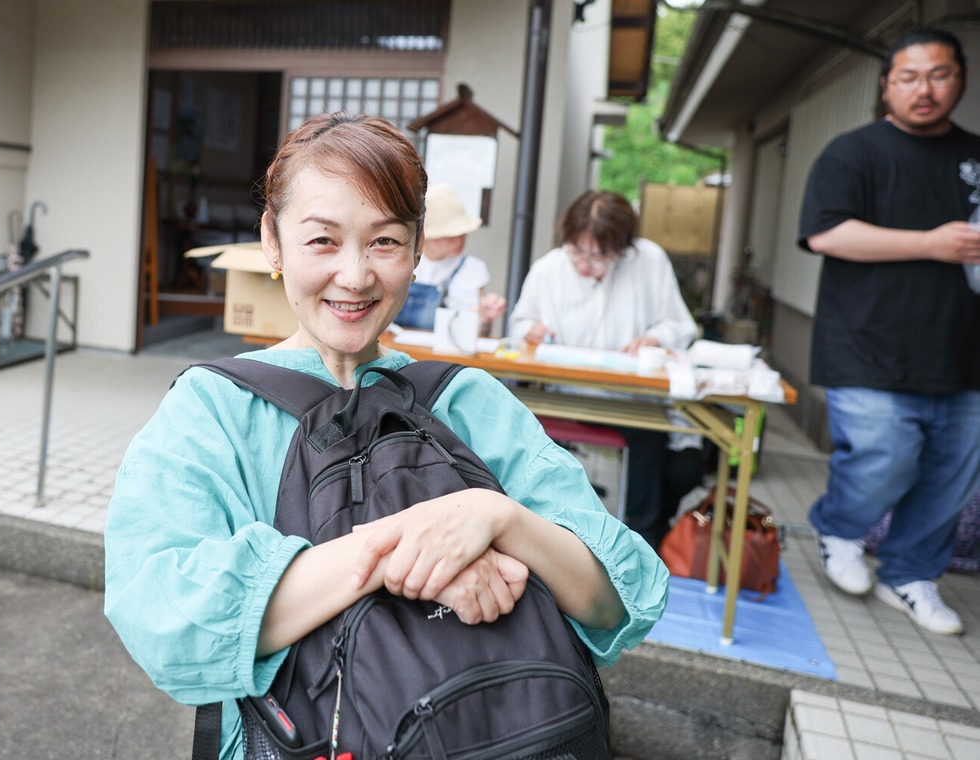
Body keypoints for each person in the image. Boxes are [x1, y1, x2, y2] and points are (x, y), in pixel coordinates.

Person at [103, 113, 668, 758]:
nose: (355, 275)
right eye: (322, 241)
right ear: (272, 241)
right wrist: (419, 549)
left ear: (418, 247)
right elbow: (164, 616)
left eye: (384, 241)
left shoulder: (469, 399)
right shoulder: (212, 411)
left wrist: (492, 517)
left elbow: (616, 600)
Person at [798, 26, 980, 635]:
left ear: (960, 78)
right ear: (887, 86)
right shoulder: (854, 152)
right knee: (885, 458)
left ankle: (911, 576)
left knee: (951, 480)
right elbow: (826, 233)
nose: (924, 89)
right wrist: (932, 243)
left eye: (939, 75)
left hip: (965, 354)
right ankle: (840, 528)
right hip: (868, 347)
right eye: (909, 77)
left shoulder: (976, 157)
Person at [508, 189, 698, 550]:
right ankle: (544, 533)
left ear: (623, 248)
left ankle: (643, 540)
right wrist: (529, 331)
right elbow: (519, 323)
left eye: (599, 256)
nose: (584, 264)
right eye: (577, 251)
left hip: (633, 399)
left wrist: (654, 338)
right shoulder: (550, 268)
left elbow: (679, 326)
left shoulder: (649, 261)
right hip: (565, 393)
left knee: (671, 456)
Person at [393, 182, 507, 335]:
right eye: (451, 236)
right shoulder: (402, 262)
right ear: (427, 237)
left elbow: (480, 334)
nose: (459, 241)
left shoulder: (473, 269)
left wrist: (485, 317)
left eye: (463, 234)